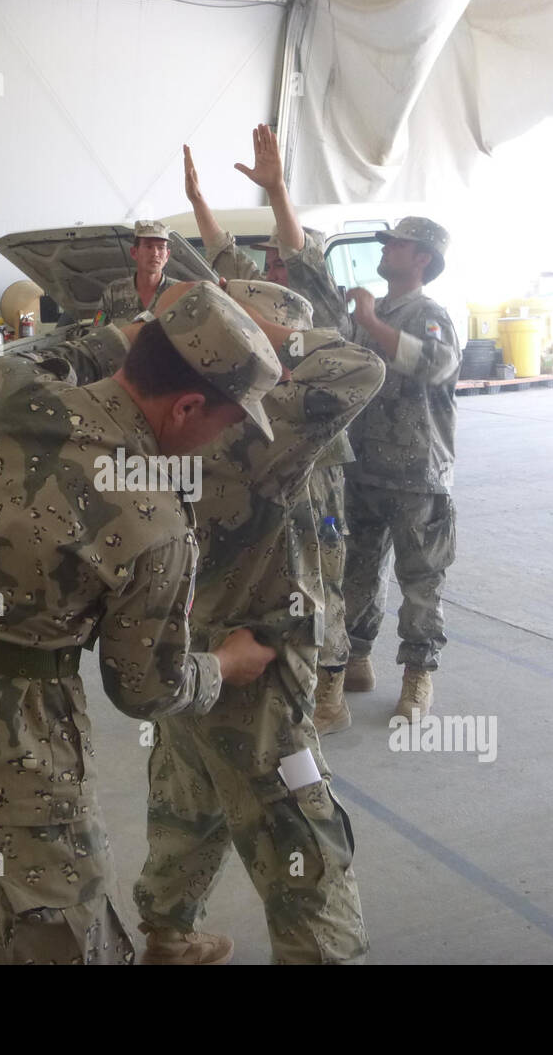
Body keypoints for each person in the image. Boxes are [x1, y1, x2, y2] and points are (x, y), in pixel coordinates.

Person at [0, 281, 282, 965]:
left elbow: (63, 351)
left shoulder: (4, 385)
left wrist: (153, 324)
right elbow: (144, 688)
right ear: (188, 406)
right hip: (14, 760)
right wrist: (226, 665)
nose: (224, 439)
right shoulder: (153, 521)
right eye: (230, 421)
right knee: (63, 938)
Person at [32, 279, 383, 963]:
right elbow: (360, 366)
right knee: (300, 827)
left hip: (178, 650)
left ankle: (169, 933)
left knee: (187, 798)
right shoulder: (262, 427)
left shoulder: (143, 416)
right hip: (257, 661)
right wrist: (273, 338)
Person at [184, 126, 360, 734]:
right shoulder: (261, 296)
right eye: (273, 257)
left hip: (315, 463)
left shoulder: (316, 308)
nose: (276, 262)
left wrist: (279, 191)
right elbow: (223, 254)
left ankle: (331, 679)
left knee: (321, 567)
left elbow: (302, 259)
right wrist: (199, 202)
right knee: (274, 563)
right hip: (263, 450)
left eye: (284, 256)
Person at [340, 217, 459, 721]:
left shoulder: (428, 314)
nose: (386, 249)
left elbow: (438, 365)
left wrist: (371, 323)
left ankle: (417, 676)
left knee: (420, 580)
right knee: (357, 573)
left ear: (422, 259)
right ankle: (356, 659)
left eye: (398, 244)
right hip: (364, 469)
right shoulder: (372, 312)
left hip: (417, 476)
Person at [95, 220, 179, 325]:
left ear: (167, 255)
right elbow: (97, 327)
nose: (155, 253)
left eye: (161, 247)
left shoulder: (179, 293)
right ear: (134, 252)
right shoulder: (113, 293)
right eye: (149, 246)